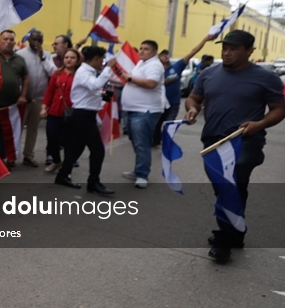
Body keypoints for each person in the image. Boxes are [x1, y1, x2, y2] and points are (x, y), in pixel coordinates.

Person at [184, 30, 285, 263]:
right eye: (225, 48)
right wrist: (192, 109)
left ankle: (224, 241)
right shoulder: (209, 74)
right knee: (225, 188)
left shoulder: (266, 78)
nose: (227, 53)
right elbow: (194, 98)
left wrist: (259, 123)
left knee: (232, 182)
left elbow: (279, 110)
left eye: (233, 49)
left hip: (245, 140)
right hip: (213, 141)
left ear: (249, 51)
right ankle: (236, 230)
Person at [54, 46, 121, 195]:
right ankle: (93, 182)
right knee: (97, 149)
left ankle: (63, 175)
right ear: (96, 59)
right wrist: (108, 69)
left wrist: (102, 95)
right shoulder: (84, 72)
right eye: (101, 60)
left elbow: (92, 90)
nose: (102, 63)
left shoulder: (89, 72)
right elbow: (95, 85)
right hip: (83, 115)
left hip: (86, 114)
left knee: (75, 149)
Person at [115, 40, 165, 188]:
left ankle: (143, 175)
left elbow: (151, 83)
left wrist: (129, 77)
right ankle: (138, 170)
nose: (142, 51)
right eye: (141, 48)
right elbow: (132, 80)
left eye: (146, 49)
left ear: (155, 52)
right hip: (133, 109)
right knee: (136, 140)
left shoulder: (155, 65)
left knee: (142, 143)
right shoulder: (141, 63)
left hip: (145, 110)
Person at [153, 33, 215, 146]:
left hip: (173, 103)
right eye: (162, 55)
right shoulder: (154, 69)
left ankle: (166, 143)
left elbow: (192, 52)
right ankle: (156, 141)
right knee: (157, 125)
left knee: (169, 124)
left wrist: (205, 40)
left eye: (167, 55)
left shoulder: (177, 66)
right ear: (158, 58)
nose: (166, 56)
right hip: (159, 103)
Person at [15, 29, 56, 167]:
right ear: (29, 40)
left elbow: (54, 73)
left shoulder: (47, 55)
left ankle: (28, 155)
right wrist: (21, 94)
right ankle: (12, 156)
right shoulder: (20, 54)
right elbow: (17, 76)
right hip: (23, 99)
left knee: (33, 129)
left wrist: (42, 57)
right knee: (17, 129)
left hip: (39, 99)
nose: (36, 43)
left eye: (39, 40)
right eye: (34, 40)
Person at [0, 29, 28, 167]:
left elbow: (26, 78)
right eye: (5, 39)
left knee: (5, 135)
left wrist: (23, 95)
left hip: (11, 105)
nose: (8, 42)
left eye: (11, 39)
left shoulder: (20, 60)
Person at [41, 48, 79, 172]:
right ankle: (57, 161)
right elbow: (50, 92)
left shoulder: (80, 75)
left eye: (72, 57)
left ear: (77, 60)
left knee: (68, 141)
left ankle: (67, 166)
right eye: (67, 57)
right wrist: (44, 107)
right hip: (54, 112)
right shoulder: (57, 74)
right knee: (52, 138)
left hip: (71, 114)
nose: (69, 60)